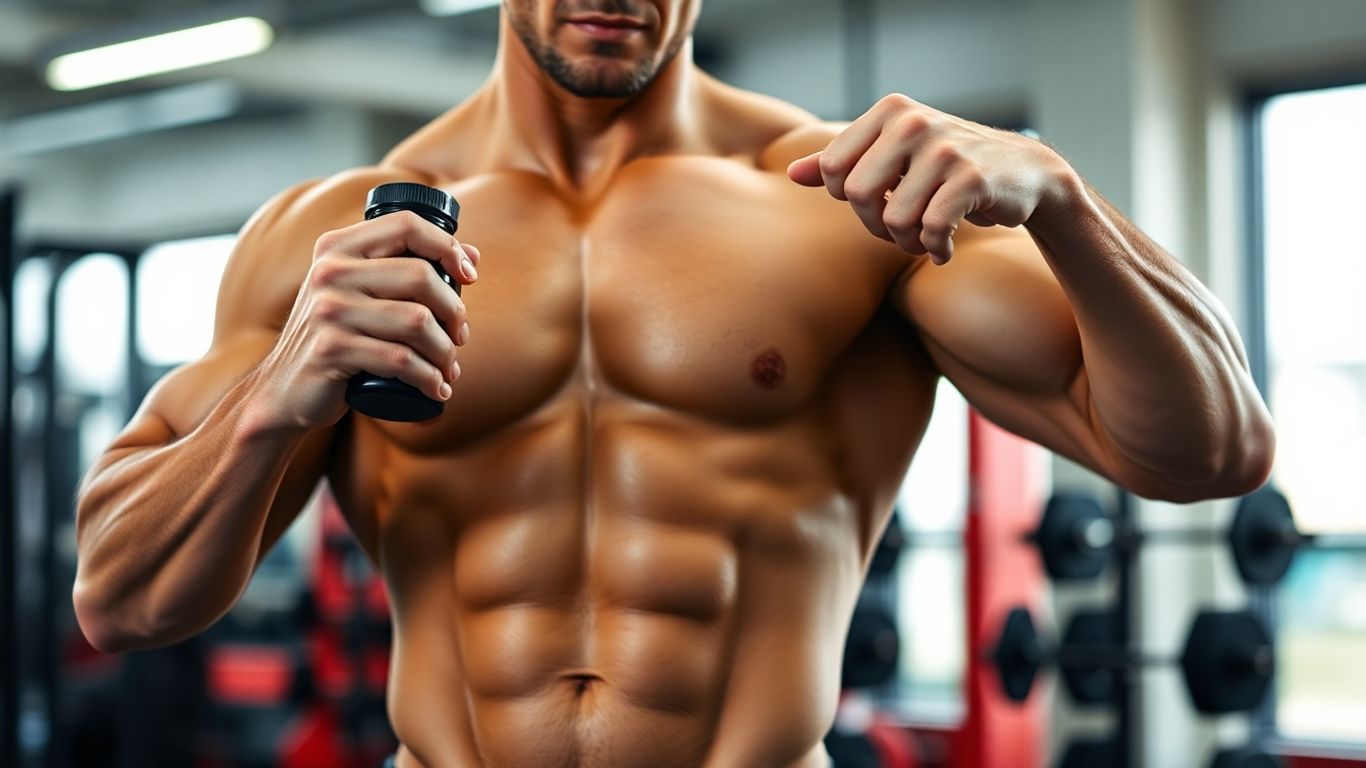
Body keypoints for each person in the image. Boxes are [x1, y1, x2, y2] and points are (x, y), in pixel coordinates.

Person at [72, 1, 1276, 766]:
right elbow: (122, 604)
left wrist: (1060, 195)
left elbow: (1209, 453)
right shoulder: (333, 232)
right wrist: (278, 393)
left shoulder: (843, 199)